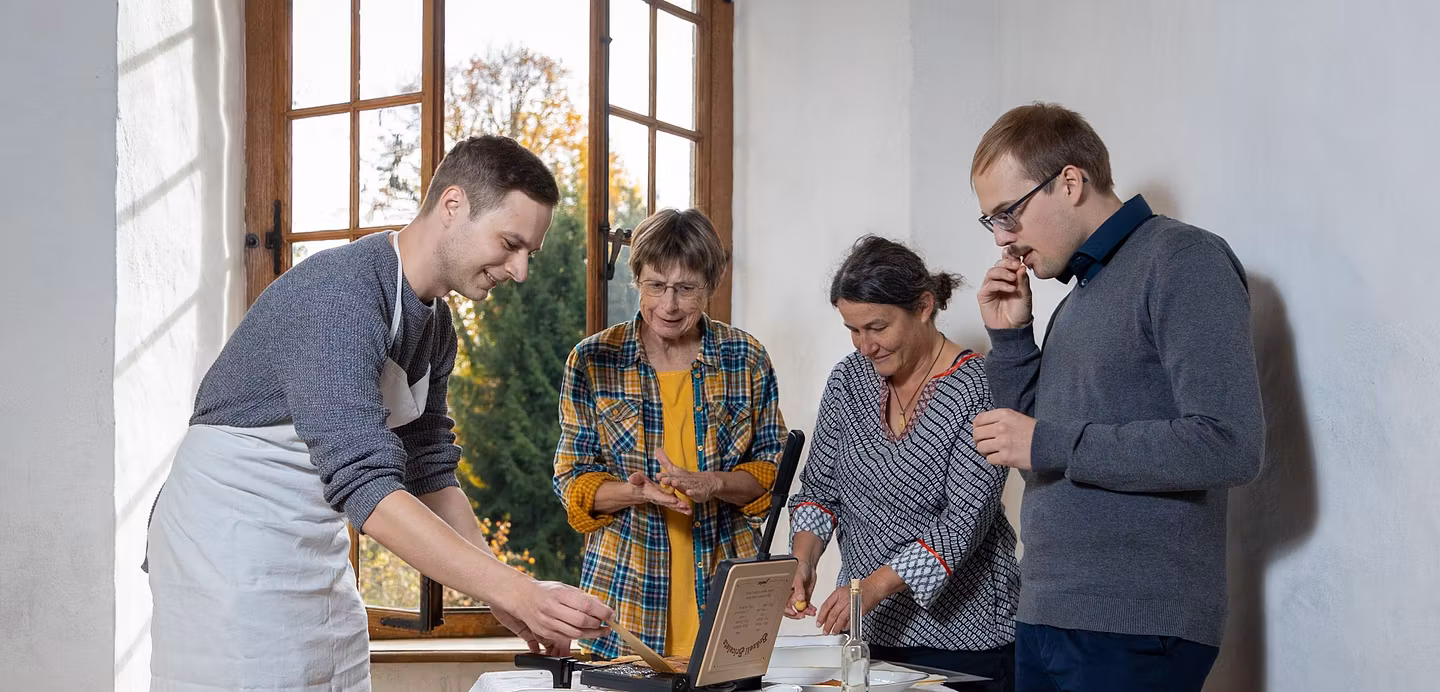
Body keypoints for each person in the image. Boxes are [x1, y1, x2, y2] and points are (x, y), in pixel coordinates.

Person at [145, 135, 614, 692]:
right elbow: (367, 485)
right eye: (510, 244)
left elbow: (430, 472)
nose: (520, 271)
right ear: (453, 206)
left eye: (527, 254)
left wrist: (504, 590)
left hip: (312, 543)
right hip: (227, 544)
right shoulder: (339, 294)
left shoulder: (436, 327)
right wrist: (515, 592)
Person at [969, 103, 1264, 692]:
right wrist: (1010, 339)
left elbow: (1228, 444)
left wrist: (1048, 441)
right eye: (991, 223)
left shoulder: (1182, 259)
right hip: (1048, 613)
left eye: (1009, 213)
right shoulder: (1077, 299)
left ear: (1070, 182)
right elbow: (1039, 458)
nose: (1004, 239)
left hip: (1132, 625)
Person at [786, 236, 1020, 692]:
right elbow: (819, 490)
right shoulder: (848, 381)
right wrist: (804, 560)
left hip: (968, 639)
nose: (865, 345)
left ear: (924, 306)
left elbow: (960, 526)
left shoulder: (978, 389)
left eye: (877, 327)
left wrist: (869, 589)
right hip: (871, 637)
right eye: (852, 330)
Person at [553, 208, 786, 660]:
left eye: (685, 289)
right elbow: (572, 482)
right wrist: (638, 492)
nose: (669, 305)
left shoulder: (746, 356)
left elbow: (772, 473)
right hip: (625, 599)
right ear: (636, 278)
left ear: (710, 286)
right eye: (655, 285)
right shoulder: (592, 360)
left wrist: (712, 483)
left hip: (729, 599)